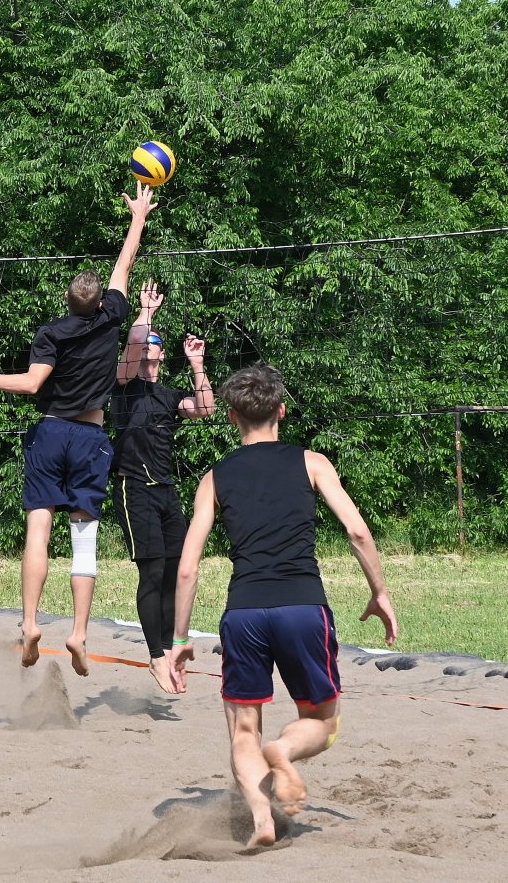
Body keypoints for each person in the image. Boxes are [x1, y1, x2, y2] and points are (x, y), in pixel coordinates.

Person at [169, 362, 398, 847]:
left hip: (244, 611)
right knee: (323, 721)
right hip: (302, 607)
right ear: (282, 411)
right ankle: (285, 750)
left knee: (241, 731)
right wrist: (379, 592)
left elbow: (188, 566)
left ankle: (261, 819)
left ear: (231, 417)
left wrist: (179, 640)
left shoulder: (215, 477)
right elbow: (357, 530)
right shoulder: (312, 463)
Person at [0, 183, 157, 675]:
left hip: (48, 434)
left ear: (68, 302)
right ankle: (79, 634)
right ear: (99, 302)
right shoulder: (112, 317)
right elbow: (125, 263)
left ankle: (29, 624)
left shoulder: (51, 331)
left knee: (38, 529)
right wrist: (138, 214)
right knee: (83, 537)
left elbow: (31, 383)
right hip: (90, 437)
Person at [108, 278, 214, 692]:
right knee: (151, 573)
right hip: (132, 486)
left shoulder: (169, 395)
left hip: (165, 490)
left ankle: (170, 647)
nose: (147, 345)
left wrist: (197, 363)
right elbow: (132, 344)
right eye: (145, 341)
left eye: (155, 341)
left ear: (163, 353)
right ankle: (155, 656)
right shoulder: (123, 385)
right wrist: (146, 311)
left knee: (175, 572)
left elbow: (205, 408)